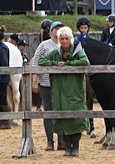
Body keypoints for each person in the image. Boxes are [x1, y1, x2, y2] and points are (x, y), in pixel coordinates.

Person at [36, 27, 89, 156]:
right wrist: (55, 63)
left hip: (74, 90)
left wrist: (68, 64)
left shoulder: (78, 51)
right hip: (59, 91)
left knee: (76, 119)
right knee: (61, 119)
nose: (64, 41)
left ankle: (75, 147)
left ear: (70, 38)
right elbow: (41, 61)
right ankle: (66, 147)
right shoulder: (55, 52)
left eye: (66, 38)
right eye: (62, 39)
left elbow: (85, 62)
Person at [32, 20, 61, 151]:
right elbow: (36, 62)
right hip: (45, 83)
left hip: (60, 83)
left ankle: (61, 139)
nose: (58, 30)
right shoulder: (44, 45)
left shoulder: (65, 44)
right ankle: (50, 140)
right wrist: (34, 81)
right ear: (51, 31)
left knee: (60, 111)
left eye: (61, 28)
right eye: (56, 28)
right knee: (48, 111)